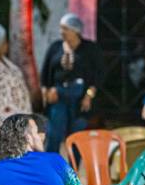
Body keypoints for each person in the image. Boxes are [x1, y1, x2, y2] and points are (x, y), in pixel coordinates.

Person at [40, 13, 103, 152]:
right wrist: (46, 94)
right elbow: (45, 73)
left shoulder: (90, 49)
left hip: (80, 96)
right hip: (58, 95)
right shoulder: (55, 47)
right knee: (54, 133)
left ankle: (73, 165)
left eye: (65, 28)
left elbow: (98, 75)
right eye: (61, 28)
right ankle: (51, 164)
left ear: (75, 30)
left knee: (77, 135)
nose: (61, 32)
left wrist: (89, 96)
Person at [0, 25, 32, 148]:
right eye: (3, 41)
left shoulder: (7, 62)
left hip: (18, 120)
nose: (6, 44)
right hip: (0, 121)